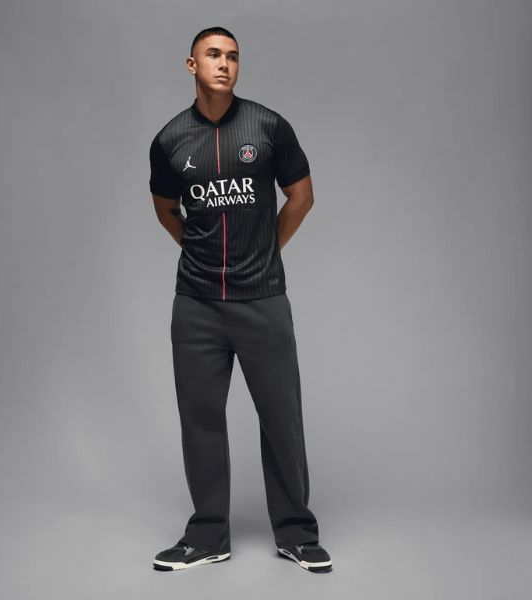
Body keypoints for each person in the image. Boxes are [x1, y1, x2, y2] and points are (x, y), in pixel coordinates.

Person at [148, 26, 332, 574]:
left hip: (262, 299)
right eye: (213, 55)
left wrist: (265, 251)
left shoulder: (268, 126)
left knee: (281, 419)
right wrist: (198, 252)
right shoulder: (169, 139)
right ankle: (208, 535)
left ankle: (296, 533)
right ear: (192, 65)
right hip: (196, 304)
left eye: (232, 56)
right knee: (200, 419)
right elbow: (165, 208)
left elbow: (302, 197)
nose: (224, 64)